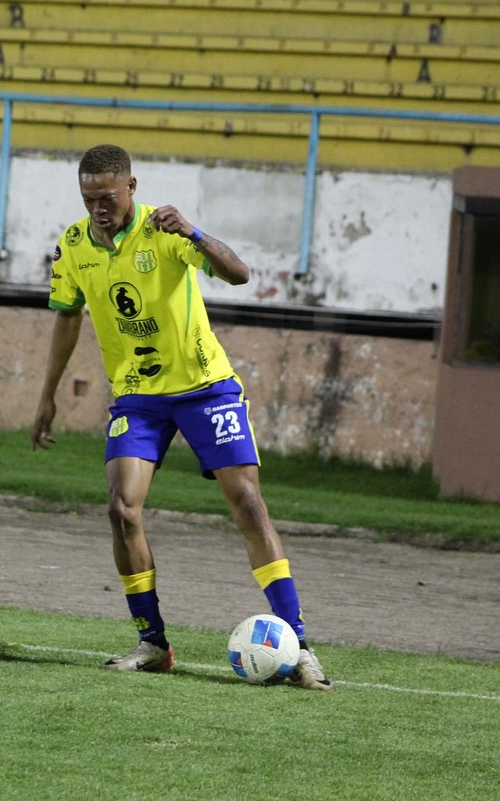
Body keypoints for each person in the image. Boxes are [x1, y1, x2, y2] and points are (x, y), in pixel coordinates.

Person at [30, 144, 332, 691]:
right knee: (122, 510)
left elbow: (239, 274)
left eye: (109, 196)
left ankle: (299, 643)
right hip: (138, 398)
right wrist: (47, 394)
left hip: (205, 389)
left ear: (132, 188)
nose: (99, 207)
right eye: (89, 197)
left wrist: (194, 232)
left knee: (248, 504)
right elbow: (67, 317)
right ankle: (152, 641)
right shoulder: (73, 245)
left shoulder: (166, 232)